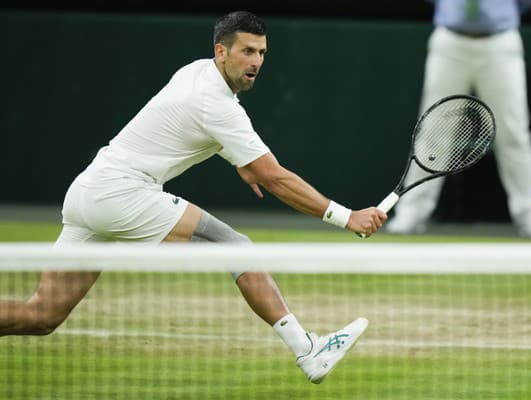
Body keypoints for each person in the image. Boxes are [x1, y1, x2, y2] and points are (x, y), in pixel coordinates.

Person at [0, 11, 386, 384]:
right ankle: (306, 350)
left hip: (88, 191)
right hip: (123, 192)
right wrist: (346, 216)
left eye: (262, 53)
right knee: (234, 246)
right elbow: (273, 176)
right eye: (247, 51)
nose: (256, 62)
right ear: (222, 51)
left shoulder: (196, 71)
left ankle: (307, 348)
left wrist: (242, 163)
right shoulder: (217, 105)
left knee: (41, 315)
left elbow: (203, 132)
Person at [386, 0, 531, 238]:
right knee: (433, 133)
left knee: (514, 135)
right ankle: (411, 213)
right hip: (449, 42)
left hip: (500, 41)